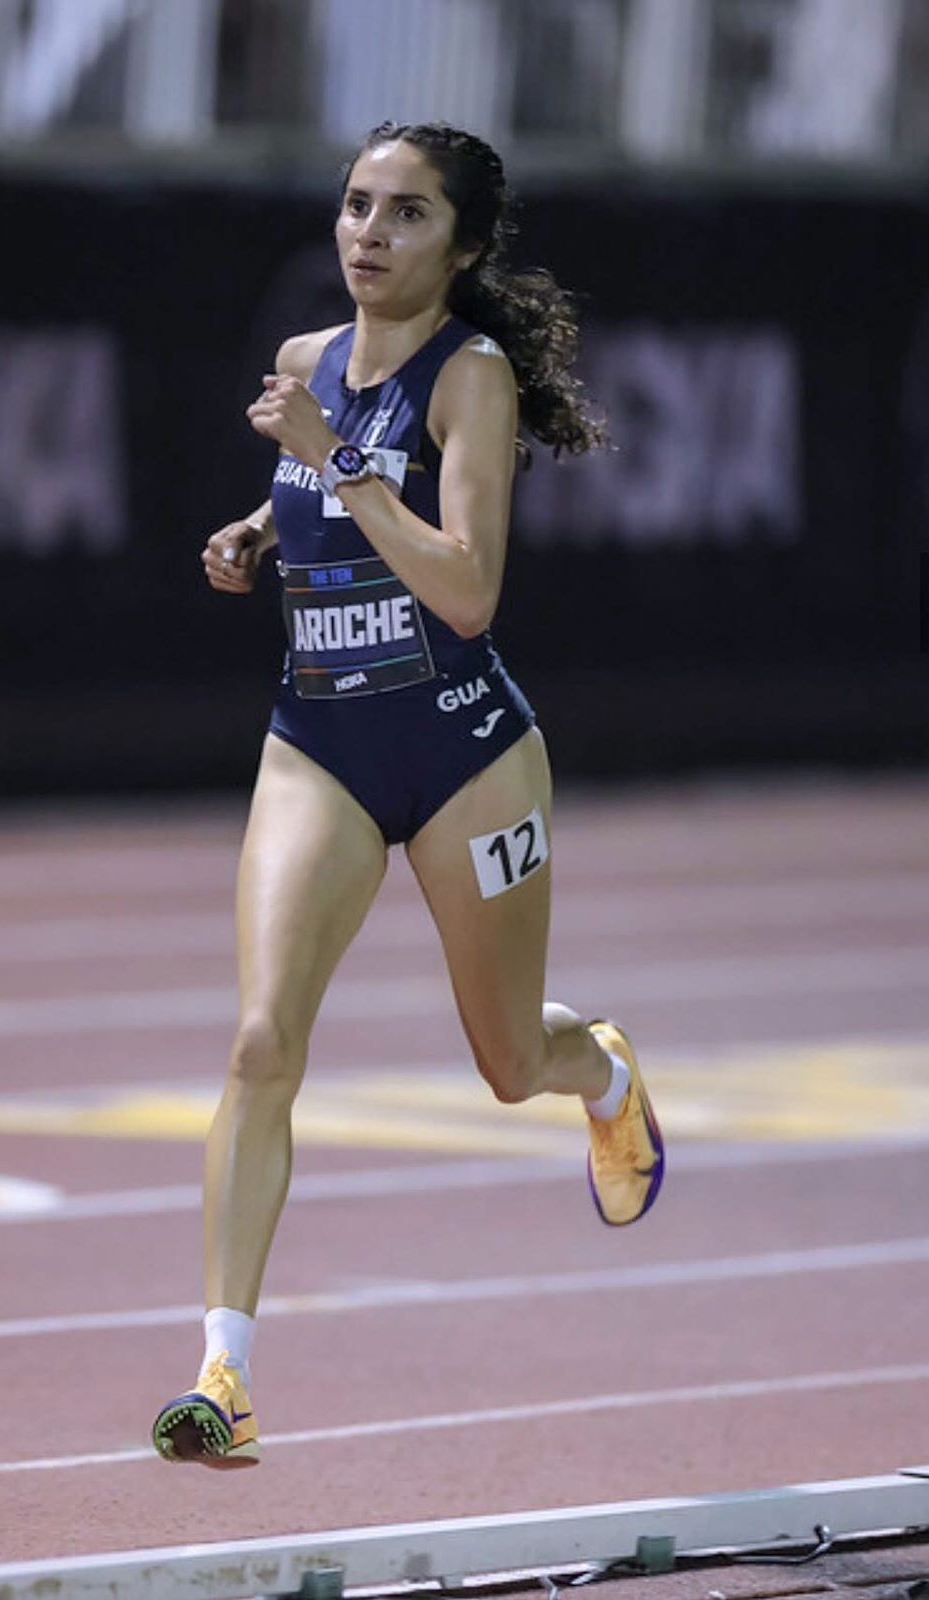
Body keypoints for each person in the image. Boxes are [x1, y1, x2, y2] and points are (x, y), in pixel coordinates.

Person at [151, 121, 664, 1470]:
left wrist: (332, 459)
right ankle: (224, 1371)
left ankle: (602, 1068)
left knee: (507, 1065)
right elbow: (318, 505)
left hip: (464, 753)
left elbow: (466, 589)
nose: (369, 235)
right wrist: (257, 532)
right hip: (317, 740)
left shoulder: (470, 378)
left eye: (407, 214)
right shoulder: (303, 361)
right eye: (355, 206)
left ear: (465, 245)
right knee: (260, 1041)